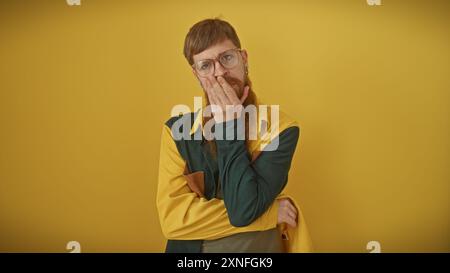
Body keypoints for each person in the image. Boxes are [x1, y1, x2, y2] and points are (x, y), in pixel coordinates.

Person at [157, 18, 309, 253]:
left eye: (227, 58)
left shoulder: (281, 128)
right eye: (206, 65)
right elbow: (174, 221)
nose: (219, 72)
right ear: (196, 74)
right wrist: (269, 214)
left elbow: (242, 211)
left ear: (244, 59)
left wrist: (230, 126)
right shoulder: (176, 131)